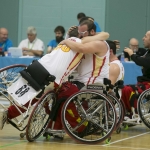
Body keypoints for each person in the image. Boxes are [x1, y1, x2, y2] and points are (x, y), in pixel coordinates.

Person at [0, 26, 109, 130]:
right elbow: (105, 35)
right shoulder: (79, 45)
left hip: (39, 64)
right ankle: (59, 124)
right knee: (49, 95)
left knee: (27, 91)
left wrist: (67, 39)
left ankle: (11, 112)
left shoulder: (63, 43)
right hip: (53, 76)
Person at [49, 19, 110, 130]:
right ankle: (56, 126)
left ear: (92, 32)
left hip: (94, 83)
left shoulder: (99, 43)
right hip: (81, 81)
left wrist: (66, 41)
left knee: (65, 93)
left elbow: (81, 47)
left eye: (83, 33)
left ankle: (80, 126)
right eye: (79, 33)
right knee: (55, 90)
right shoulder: (82, 42)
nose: (80, 36)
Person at [121, 31, 150, 115]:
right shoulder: (148, 52)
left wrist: (132, 54)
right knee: (123, 88)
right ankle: (128, 112)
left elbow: (144, 62)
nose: (143, 38)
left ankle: (135, 113)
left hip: (148, 83)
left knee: (129, 90)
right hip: (143, 82)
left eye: (145, 36)